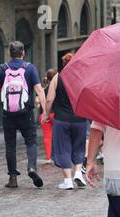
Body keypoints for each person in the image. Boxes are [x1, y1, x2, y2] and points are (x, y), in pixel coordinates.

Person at [0, 41, 45, 189]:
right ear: (23, 53)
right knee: (31, 141)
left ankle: (13, 179)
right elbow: (39, 90)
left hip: (8, 115)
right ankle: (31, 168)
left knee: (10, 145)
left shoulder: (2, 69)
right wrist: (45, 111)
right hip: (26, 113)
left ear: (10, 54)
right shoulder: (29, 68)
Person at [42, 53, 88, 190]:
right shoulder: (83, 78)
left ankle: (68, 180)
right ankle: (78, 172)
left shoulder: (58, 77)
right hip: (80, 119)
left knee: (63, 148)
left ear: (64, 64)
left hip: (62, 119)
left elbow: (49, 98)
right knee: (78, 146)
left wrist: (46, 113)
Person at [37, 68, 58, 164]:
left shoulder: (43, 89)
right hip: (56, 114)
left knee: (47, 136)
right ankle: (59, 155)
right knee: (60, 136)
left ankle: (49, 157)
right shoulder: (58, 88)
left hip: (43, 115)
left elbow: (37, 100)